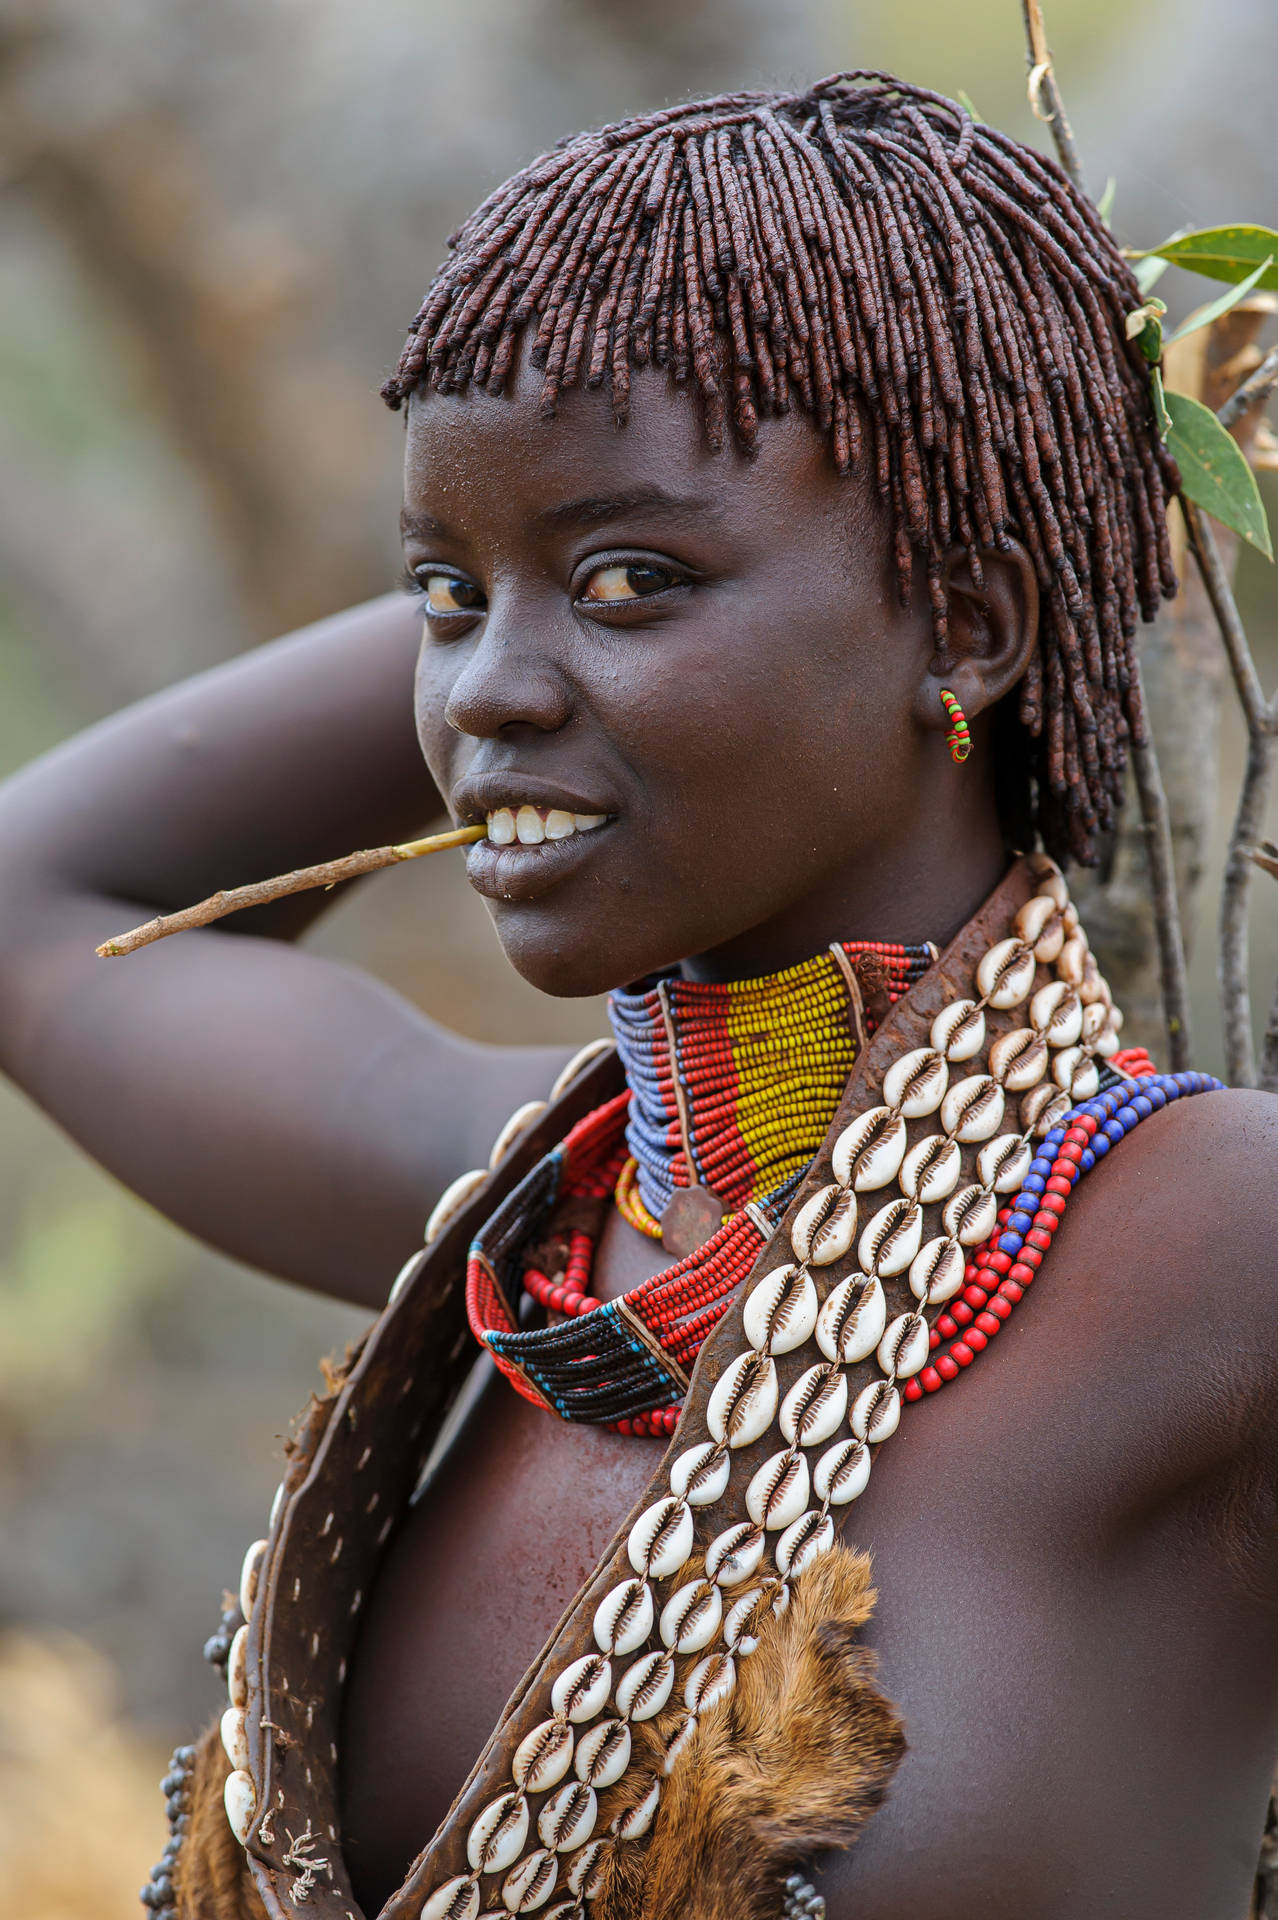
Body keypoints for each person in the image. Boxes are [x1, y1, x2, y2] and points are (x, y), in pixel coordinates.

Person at [1, 71, 1276, 1920]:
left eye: (631, 577)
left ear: (974, 626)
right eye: (441, 599)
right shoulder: (508, 1206)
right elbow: (42, 903)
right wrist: (534, 558)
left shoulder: (1213, 1251)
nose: (480, 698)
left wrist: (1007, 476)